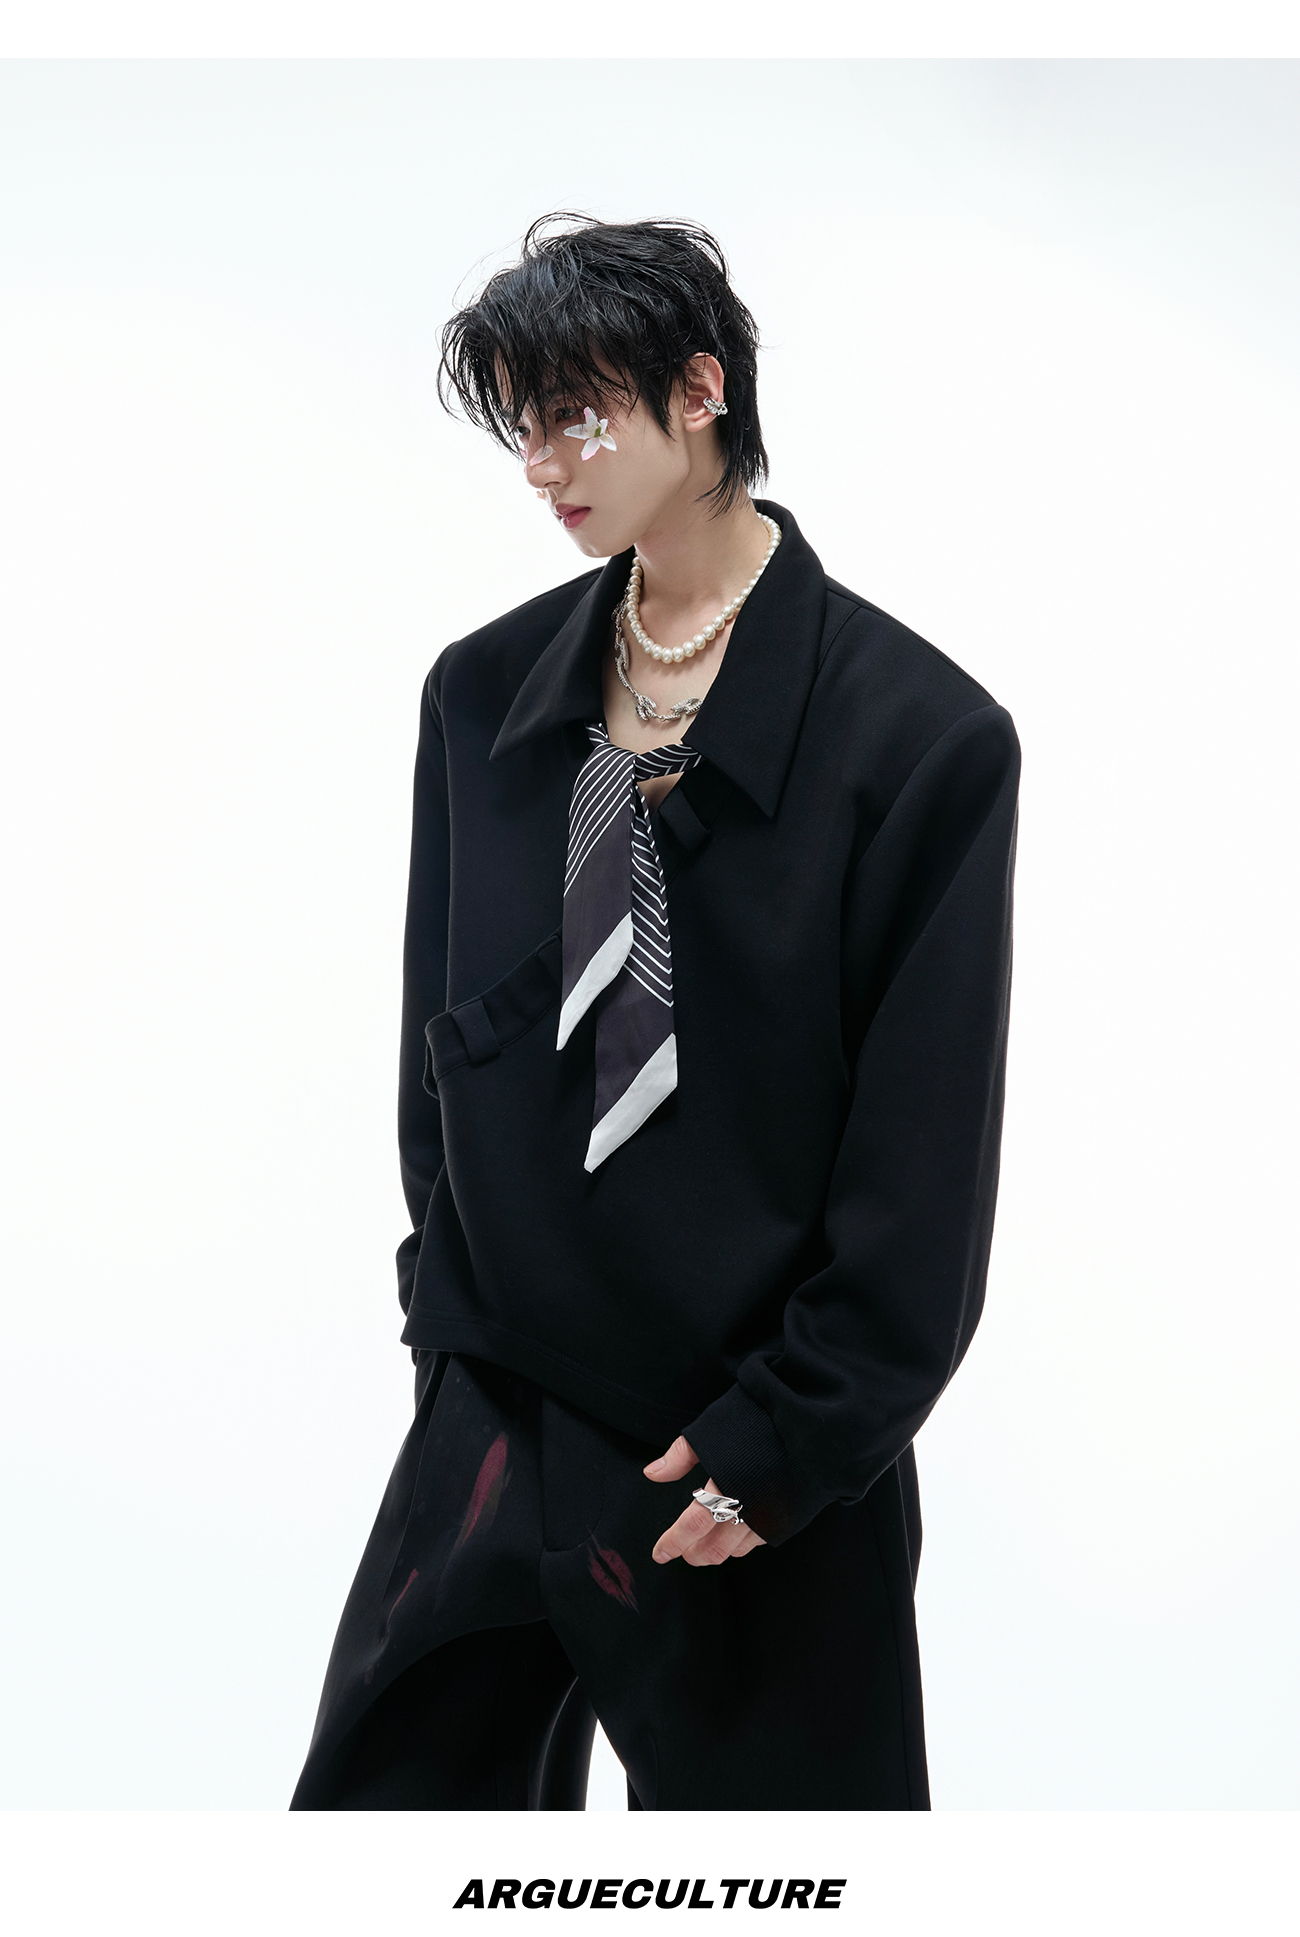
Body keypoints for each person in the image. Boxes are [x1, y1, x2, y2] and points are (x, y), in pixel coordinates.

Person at [289, 213, 1019, 1811]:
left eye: (573, 416)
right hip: (499, 1416)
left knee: (798, 1882)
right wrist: (447, 1331)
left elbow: (924, 1164)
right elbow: (436, 1058)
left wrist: (796, 1433)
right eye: (521, 426)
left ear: (699, 392)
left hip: (744, 1447)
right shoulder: (481, 695)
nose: (541, 465)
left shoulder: (923, 744)